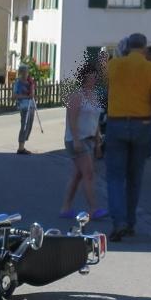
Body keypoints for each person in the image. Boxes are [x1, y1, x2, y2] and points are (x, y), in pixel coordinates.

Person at [103, 32, 151, 240]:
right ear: (145, 48)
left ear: (128, 47)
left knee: (114, 178)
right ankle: (130, 223)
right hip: (143, 124)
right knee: (134, 177)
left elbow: (104, 87)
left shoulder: (114, 65)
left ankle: (119, 221)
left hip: (117, 124)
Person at [59, 59, 106, 221]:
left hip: (90, 139)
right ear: (84, 78)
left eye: (95, 77)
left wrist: (98, 141)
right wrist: (77, 140)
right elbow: (71, 120)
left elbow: (96, 120)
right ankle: (94, 208)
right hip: (76, 140)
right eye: (90, 77)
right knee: (89, 173)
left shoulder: (95, 96)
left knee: (78, 175)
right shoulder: (76, 96)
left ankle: (65, 207)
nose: (93, 80)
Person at [13, 66, 38, 155]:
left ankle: (22, 145)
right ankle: (21, 148)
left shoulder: (30, 82)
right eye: (24, 72)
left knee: (29, 126)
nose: (25, 74)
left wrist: (32, 92)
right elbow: (15, 96)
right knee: (24, 125)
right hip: (23, 106)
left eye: (26, 72)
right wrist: (27, 97)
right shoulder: (18, 83)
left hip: (31, 106)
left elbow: (33, 94)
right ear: (20, 73)